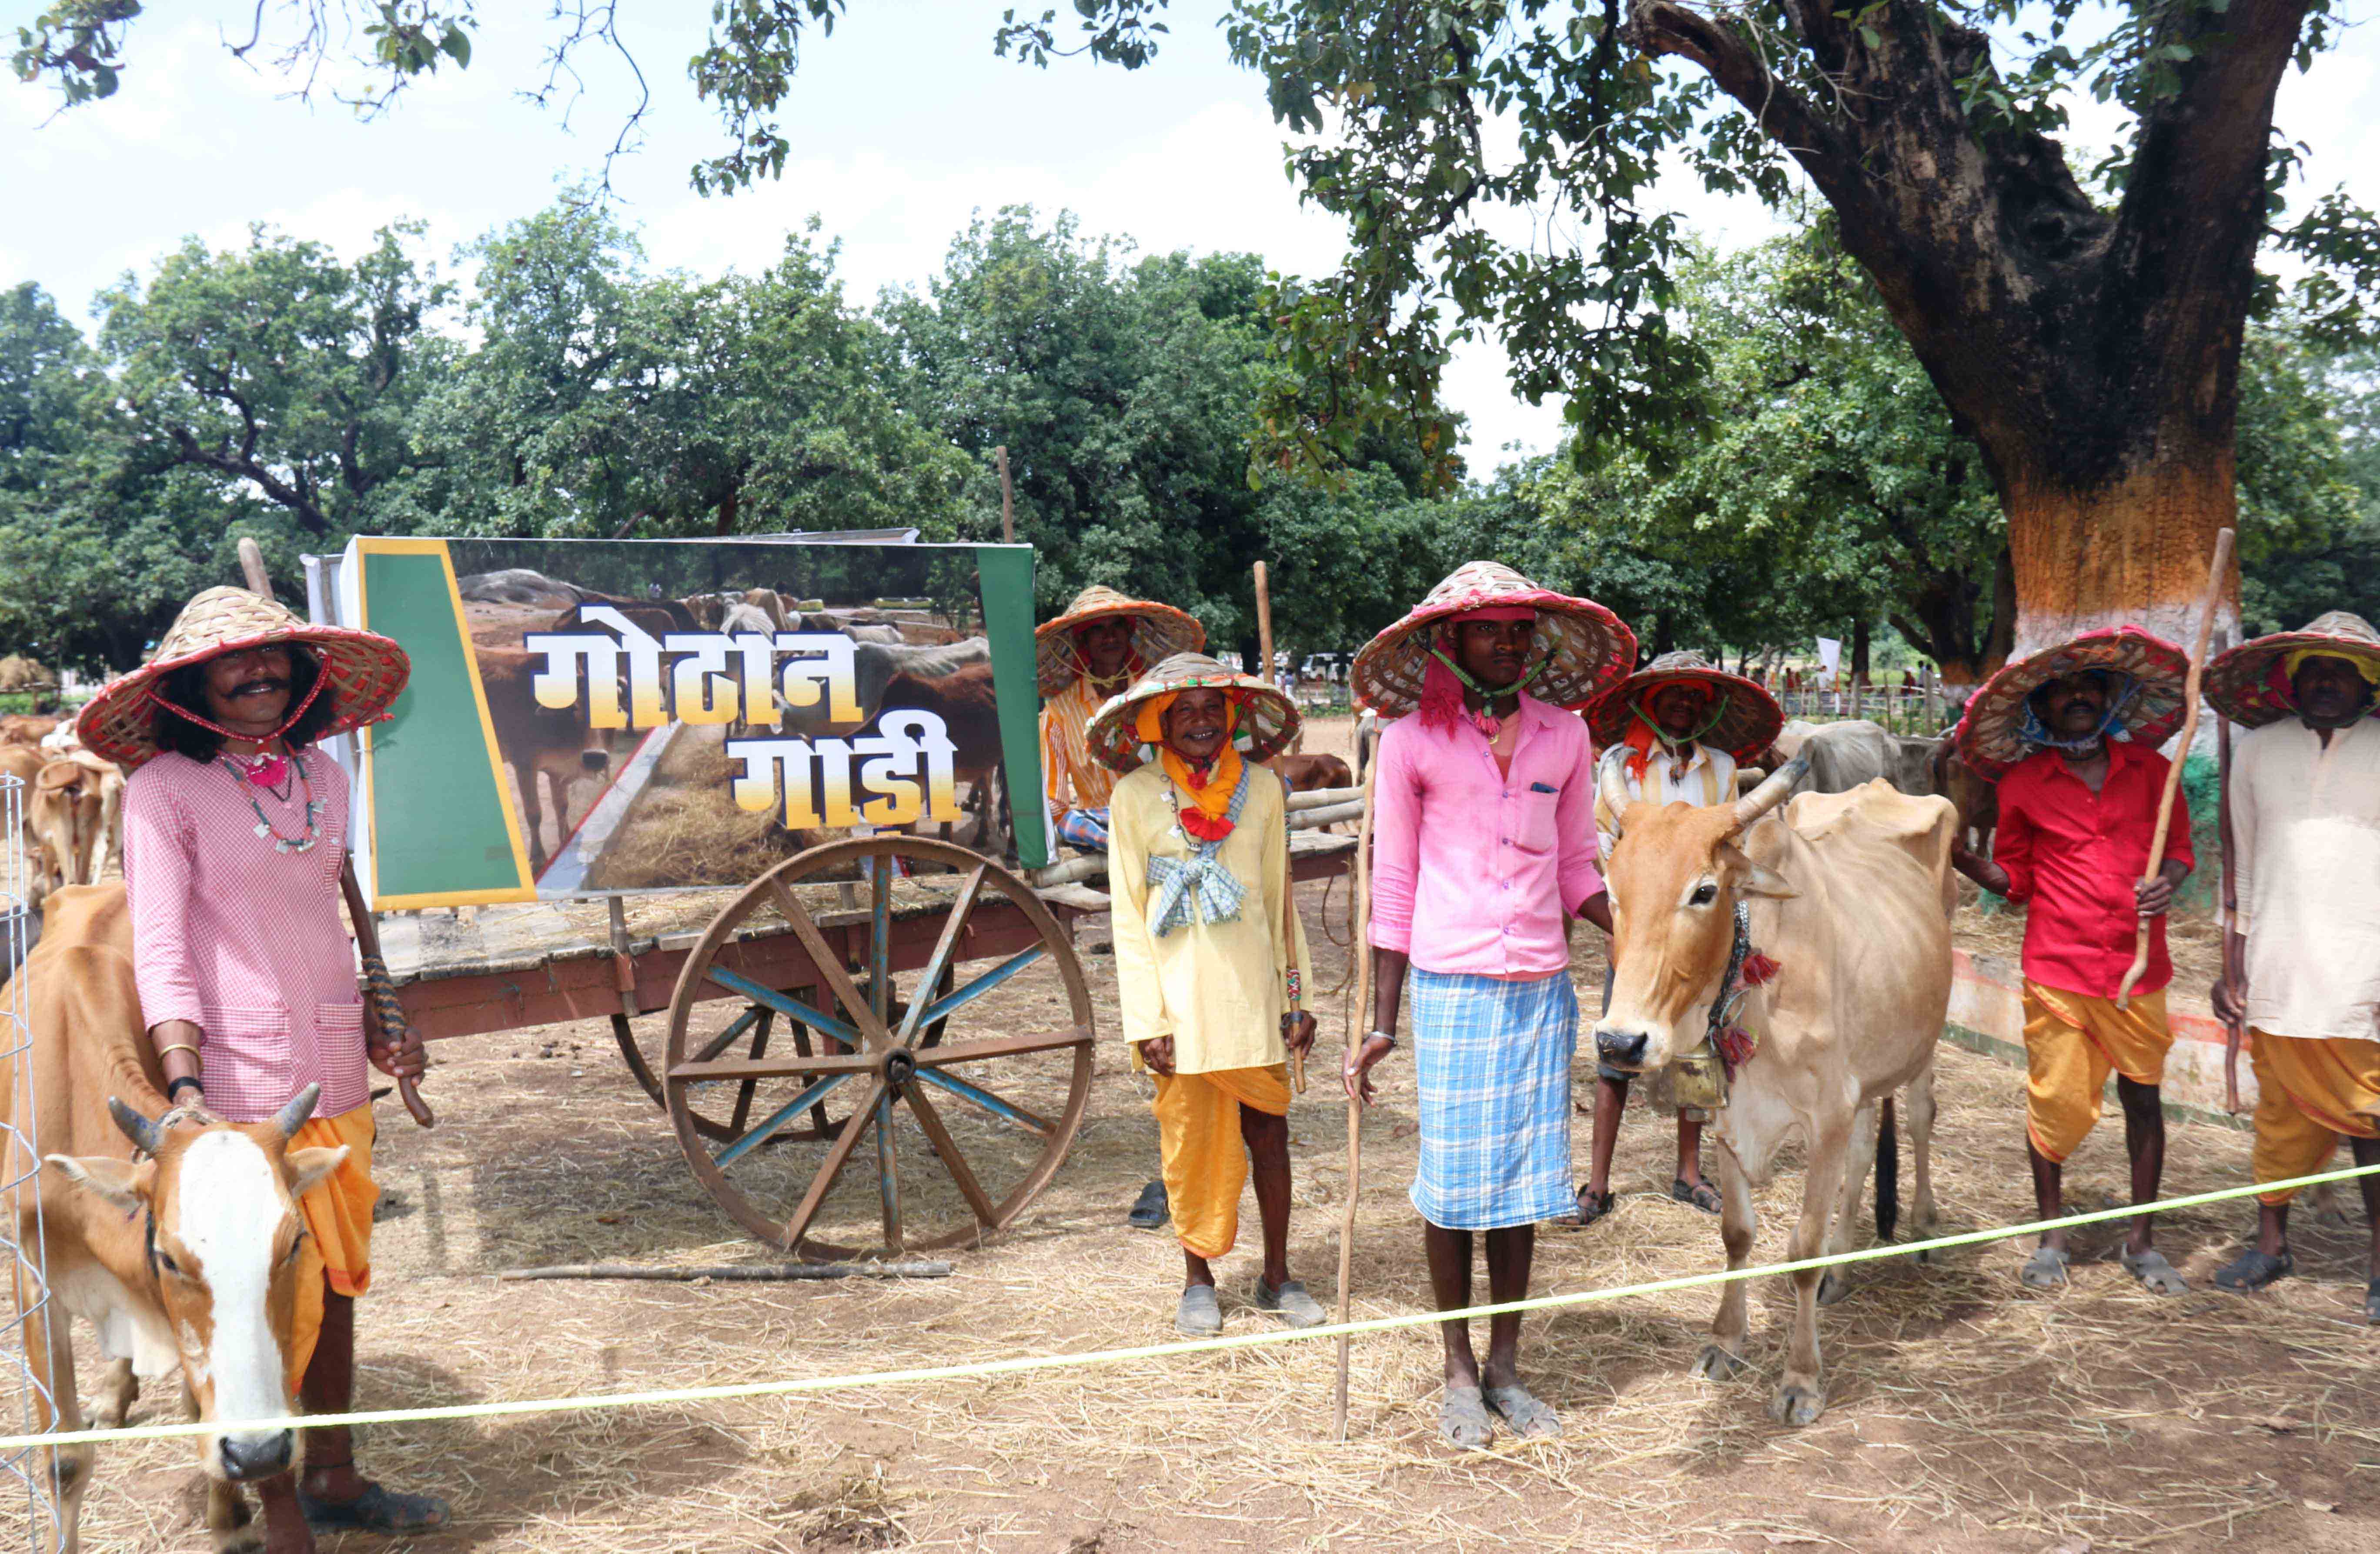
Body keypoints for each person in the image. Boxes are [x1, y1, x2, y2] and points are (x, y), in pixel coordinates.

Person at [76, 586, 447, 1539]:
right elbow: (161, 948)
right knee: (255, 1292)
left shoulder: (326, 776)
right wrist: (188, 1084)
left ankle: (334, 1471)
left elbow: (319, 927)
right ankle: (277, 1503)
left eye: (273, 659)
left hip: (332, 1063)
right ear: (190, 682)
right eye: (233, 662)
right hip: (233, 1083)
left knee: (339, 1273)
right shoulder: (162, 788)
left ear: (304, 673)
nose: (258, 673)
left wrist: (374, 1025)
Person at [1343, 561, 1634, 1447]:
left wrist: (1632, 932)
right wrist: (1384, 1020)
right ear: (1448, 641)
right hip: (1453, 982)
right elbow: (1392, 884)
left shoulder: (1566, 735)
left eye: (1519, 630)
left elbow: (1578, 862)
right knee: (1455, 1188)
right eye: (1488, 630)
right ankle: (1458, 1366)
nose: (1508, 643)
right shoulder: (1409, 741)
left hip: (1541, 985)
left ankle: (1508, 1362)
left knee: (1523, 1184)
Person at [1948, 626, 2196, 1295]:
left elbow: (2179, 849)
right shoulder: (2024, 784)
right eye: (2065, 691)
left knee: (2143, 1097)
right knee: (2053, 1101)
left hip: (2140, 969)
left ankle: (2142, 1240)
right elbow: (2018, 879)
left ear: (2111, 698)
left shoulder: (2152, 772)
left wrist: (2167, 881)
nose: (2080, 697)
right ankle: (2051, 1238)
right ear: (2043, 707)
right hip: (2058, 966)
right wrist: (1972, 864)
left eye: (2091, 687)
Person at [1089, 653, 1323, 1334]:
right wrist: (1146, 1017)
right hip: (1178, 1006)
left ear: (1233, 717)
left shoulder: (1264, 789)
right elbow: (1128, 919)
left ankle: (1278, 1273)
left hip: (1254, 997)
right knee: (1188, 1142)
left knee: (1269, 1134)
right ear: (1159, 723)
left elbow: (1281, 903)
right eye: (1183, 711)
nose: (1199, 721)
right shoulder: (1133, 795)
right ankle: (1197, 1279)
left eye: (1211, 709)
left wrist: (1297, 997)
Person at [2201, 611, 2380, 1321]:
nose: (2328, 681)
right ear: (2290, 679)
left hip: (2365, 973)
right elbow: (2238, 865)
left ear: (2369, 683)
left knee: (2371, 1116)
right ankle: (2272, 1245)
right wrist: (2231, 966)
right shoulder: (2256, 751)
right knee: (2277, 1113)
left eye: (2344, 670)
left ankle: (2378, 1263)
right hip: (2275, 964)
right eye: (2314, 668)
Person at [1567, 650, 1784, 1224]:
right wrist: (1630, 906)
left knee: (1701, 1045)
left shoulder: (1719, 765)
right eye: (1673, 695)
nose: (1683, 703)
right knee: (1617, 1045)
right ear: (1650, 702)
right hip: (1641, 927)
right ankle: (1597, 1183)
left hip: (1698, 925)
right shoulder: (1624, 768)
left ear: (1705, 709)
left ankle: (1690, 1172)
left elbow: (1724, 836)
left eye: (1694, 697)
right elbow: (1604, 838)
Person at [1034, 584, 1204, 1231]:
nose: (1108, 641)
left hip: (1178, 830)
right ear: (1079, 644)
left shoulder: (1160, 699)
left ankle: (1186, 1160)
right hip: (1106, 837)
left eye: (1117, 630)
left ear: (1133, 636)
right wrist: (1116, 826)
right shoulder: (1057, 714)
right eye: (1096, 633)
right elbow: (1054, 806)